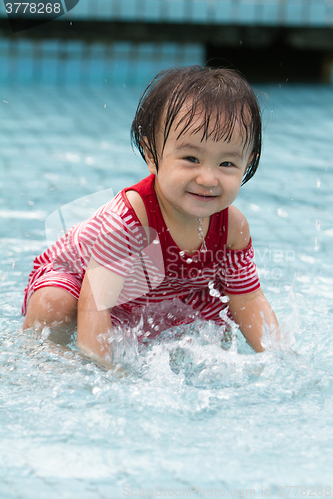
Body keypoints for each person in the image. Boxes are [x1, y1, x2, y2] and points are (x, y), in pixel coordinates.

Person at [22, 65, 278, 365]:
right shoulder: (131, 220)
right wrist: (102, 375)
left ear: (249, 162)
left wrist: (279, 359)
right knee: (54, 305)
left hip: (155, 297)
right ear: (151, 155)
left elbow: (247, 299)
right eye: (191, 158)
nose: (208, 178)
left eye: (227, 164)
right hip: (84, 287)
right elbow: (96, 304)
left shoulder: (232, 227)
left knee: (218, 328)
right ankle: (40, 361)